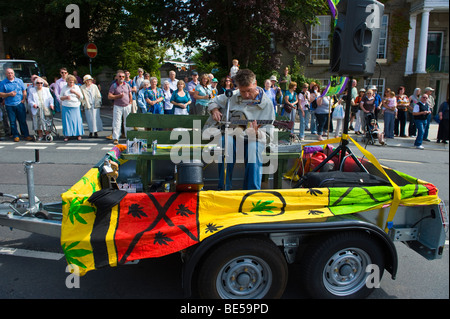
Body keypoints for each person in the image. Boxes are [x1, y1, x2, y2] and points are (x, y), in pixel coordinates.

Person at [203, 69, 275, 190]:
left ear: (255, 83)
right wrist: (214, 110)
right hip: (233, 135)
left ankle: (251, 191)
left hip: (254, 139)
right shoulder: (233, 95)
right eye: (242, 91)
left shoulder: (266, 104)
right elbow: (213, 100)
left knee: (254, 148)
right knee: (225, 143)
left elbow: (269, 133)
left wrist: (257, 133)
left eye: (249, 90)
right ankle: (224, 188)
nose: (246, 95)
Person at [0, 68, 33, 142]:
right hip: (9, 105)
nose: (10, 74)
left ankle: (26, 135)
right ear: (6, 74)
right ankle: (15, 135)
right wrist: (8, 94)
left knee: (22, 121)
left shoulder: (19, 81)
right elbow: (0, 94)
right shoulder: (3, 83)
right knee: (12, 121)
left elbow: (24, 91)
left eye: (11, 73)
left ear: (14, 73)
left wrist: (23, 99)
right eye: (8, 73)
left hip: (19, 104)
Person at [108, 71, 132, 144]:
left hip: (127, 105)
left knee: (127, 122)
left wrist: (130, 102)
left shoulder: (127, 85)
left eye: (123, 76)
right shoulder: (114, 85)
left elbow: (130, 93)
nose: (121, 78)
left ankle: (129, 137)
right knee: (117, 122)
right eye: (120, 76)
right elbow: (109, 96)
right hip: (118, 106)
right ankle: (116, 138)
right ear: (117, 77)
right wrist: (118, 96)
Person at [27, 77, 54, 141]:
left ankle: (47, 134)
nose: (39, 84)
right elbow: (29, 99)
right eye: (38, 83)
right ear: (35, 84)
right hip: (37, 108)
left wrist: (51, 104)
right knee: (38, 122)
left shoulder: (46, 90)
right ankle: (40, 135)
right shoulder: (32, 90)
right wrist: (33, 104)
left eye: (41, 83)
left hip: (45, 108)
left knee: (47, 122)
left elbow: (50, 98)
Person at [60, 75, 84, 141]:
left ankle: (78, 134)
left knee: (77, 120)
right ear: (67, 82)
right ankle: (67, 135)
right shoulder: (64, 88)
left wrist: (75, 92)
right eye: (70, 82)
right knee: (67, 121)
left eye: (72, 82)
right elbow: (60, 97)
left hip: (75, 106)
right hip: (66, 106)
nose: (71, 84)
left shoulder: (76, 87)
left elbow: (81, 97)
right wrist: (65, 97)